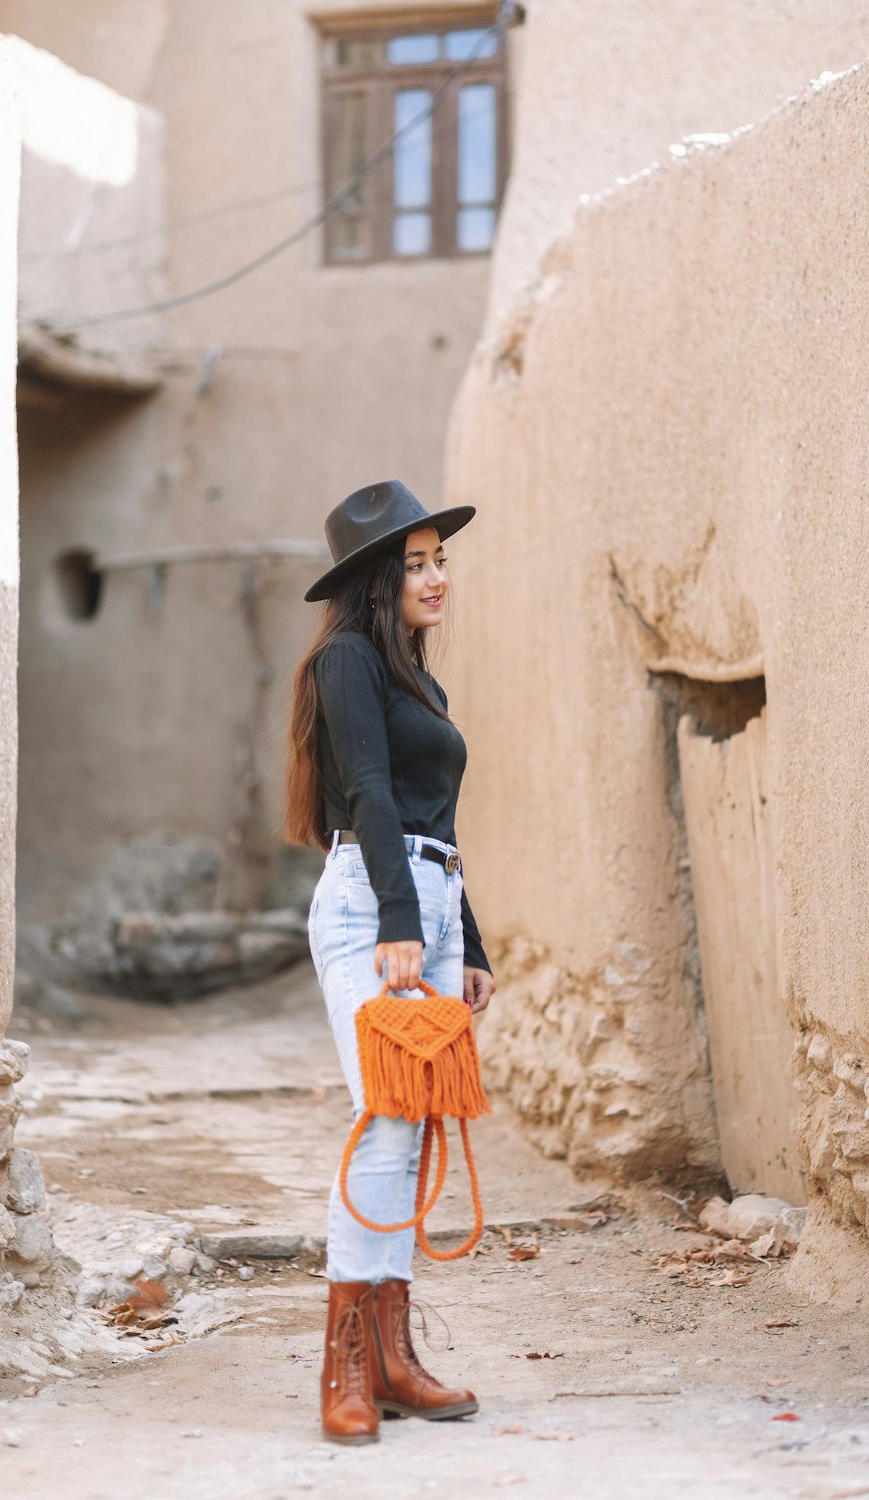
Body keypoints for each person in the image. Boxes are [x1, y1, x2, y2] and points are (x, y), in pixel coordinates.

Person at [285, 478, 496, 1446]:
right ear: (376, 580)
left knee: (410, 1135)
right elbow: (368, 791)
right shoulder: (346, 664)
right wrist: (400, 924)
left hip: (427, 907)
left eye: (438, 558)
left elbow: (433, 820)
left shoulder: (418, 678)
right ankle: (347, 1367)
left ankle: (397, 1360)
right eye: (414, 564)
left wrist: (470, 941)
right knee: (381, 1124)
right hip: (374, 908)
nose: (435, 576)